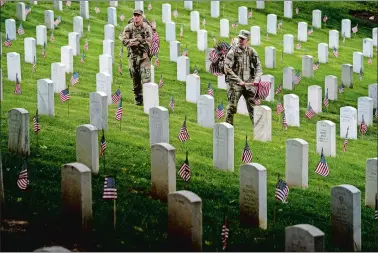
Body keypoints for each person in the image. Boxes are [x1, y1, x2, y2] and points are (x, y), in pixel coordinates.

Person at [223, 30, 263, 125]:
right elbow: (226, 68)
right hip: (235, 85)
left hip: (248, 84)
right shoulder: (233, 51)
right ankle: (228, 130)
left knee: (254, 108)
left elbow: (258, 66)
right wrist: (238, 80)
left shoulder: (251, 51)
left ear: (247, 40)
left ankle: (259, 133)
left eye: (243, 39)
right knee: (232, 108)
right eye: (239, 38)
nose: (240, 40)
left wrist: (256, 80)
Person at [122, 9, 152, 106]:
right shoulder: (128, 27)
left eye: (138, 15)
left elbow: (148, 43)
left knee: (146, 77)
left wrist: (137, 43)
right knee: (135, 78)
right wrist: (134, 41)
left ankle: (149, 100)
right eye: (135, 15)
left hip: (143, 57)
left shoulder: (146, 28)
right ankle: (138, 100)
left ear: (141, 17)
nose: (136, 17)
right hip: (133, 56)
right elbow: (124, 40)